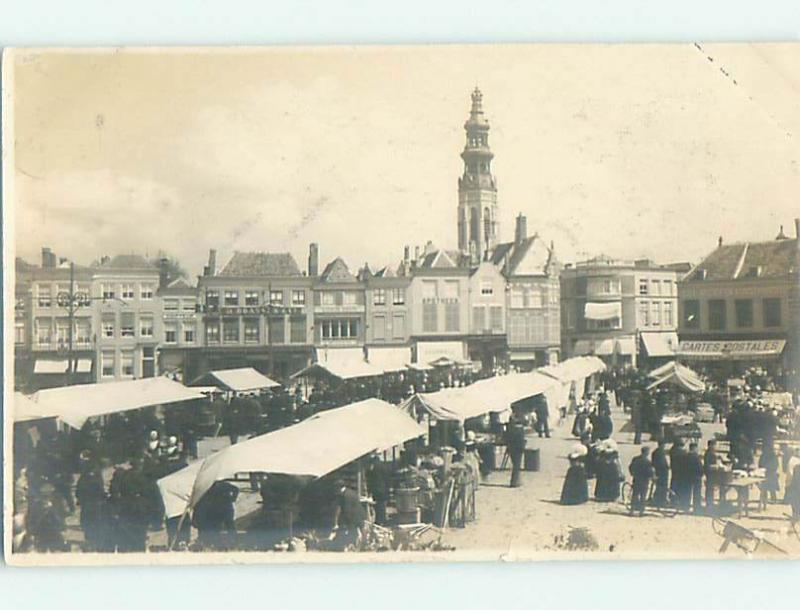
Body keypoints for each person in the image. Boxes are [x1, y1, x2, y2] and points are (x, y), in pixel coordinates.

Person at [75, 461, 109, 551]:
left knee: (88, 523)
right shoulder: (96, 477)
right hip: (95, 505)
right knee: (95, 523)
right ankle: (95, 542)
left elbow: (78, 492)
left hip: (87, 505)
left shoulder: (83, 478)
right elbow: (100, 491)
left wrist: (81, 500)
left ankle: (90, 540)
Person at [332, 483, 368, 549]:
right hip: (360, 513)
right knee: (362, 529)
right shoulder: (351, 492)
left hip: (353, 516)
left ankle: (353, 545)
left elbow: (346, 508)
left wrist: (345, 520)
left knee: (352, 531)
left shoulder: (344, 495)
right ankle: (364, 544)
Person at [628, 446, 655, 516]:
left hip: (636, 479)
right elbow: (650, 472)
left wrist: (632, 474)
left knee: (635, 495)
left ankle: (632, 510)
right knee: (643, 496)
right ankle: (641, 511)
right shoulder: (648, 462)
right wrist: (653, 477)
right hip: (644, 481)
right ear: (647, 453)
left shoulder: (635, 459)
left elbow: (630, 467)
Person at [366, 455, 391, 526]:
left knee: (378, 506)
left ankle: (379, 520)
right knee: (382, 505)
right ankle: (382, 520)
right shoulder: (384, 466)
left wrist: (370, 490)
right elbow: (387, 477)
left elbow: (370, 478)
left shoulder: (373, 467)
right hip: (383, 489)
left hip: (376, 489)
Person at [506, 417, 527, 488]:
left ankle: (516, 481)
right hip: (518, 449)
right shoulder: (520, 430)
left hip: (512, 448)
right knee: (517, 466)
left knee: (514, 464)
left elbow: (507, 439)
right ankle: (514, 482)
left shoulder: (510, 429)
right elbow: (522, 440)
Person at [703, 439, 722, 512]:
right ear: (711, 445)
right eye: (715, 445)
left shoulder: (712, 453)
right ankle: (709, 506)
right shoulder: (709, 453)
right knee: (709, 490)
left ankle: (710, 505)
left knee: (711, 490)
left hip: (712, 474)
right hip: (710, 474)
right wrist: (716, 466)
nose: (716, 446)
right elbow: (707, 465)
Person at [685, 443, 704, 513]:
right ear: (694, 448)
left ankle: (686, 506)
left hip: (688, 476)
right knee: (697, 493)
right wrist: (701, 473)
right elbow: (700, 467)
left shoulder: (686, 456)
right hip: (696, 477)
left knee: (687, 492)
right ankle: (697, 507)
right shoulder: (696, 457)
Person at [651, 439, 670, 507]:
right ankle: (661, 500)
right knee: (662, 485)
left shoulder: (655, 452)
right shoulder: (660, 452)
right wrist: (667, 467)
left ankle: (659, 498)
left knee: (659, 486)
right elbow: (661, 463)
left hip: (658, 471)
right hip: (662, 472)